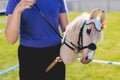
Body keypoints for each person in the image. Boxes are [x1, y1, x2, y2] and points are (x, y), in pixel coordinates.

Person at [5, 0, 69, 80]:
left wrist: (83, 52)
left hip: (55, 54)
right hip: (29, 56)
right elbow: (11, 39)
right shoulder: (15, 1)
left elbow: (66, 30)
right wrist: (17, 10)